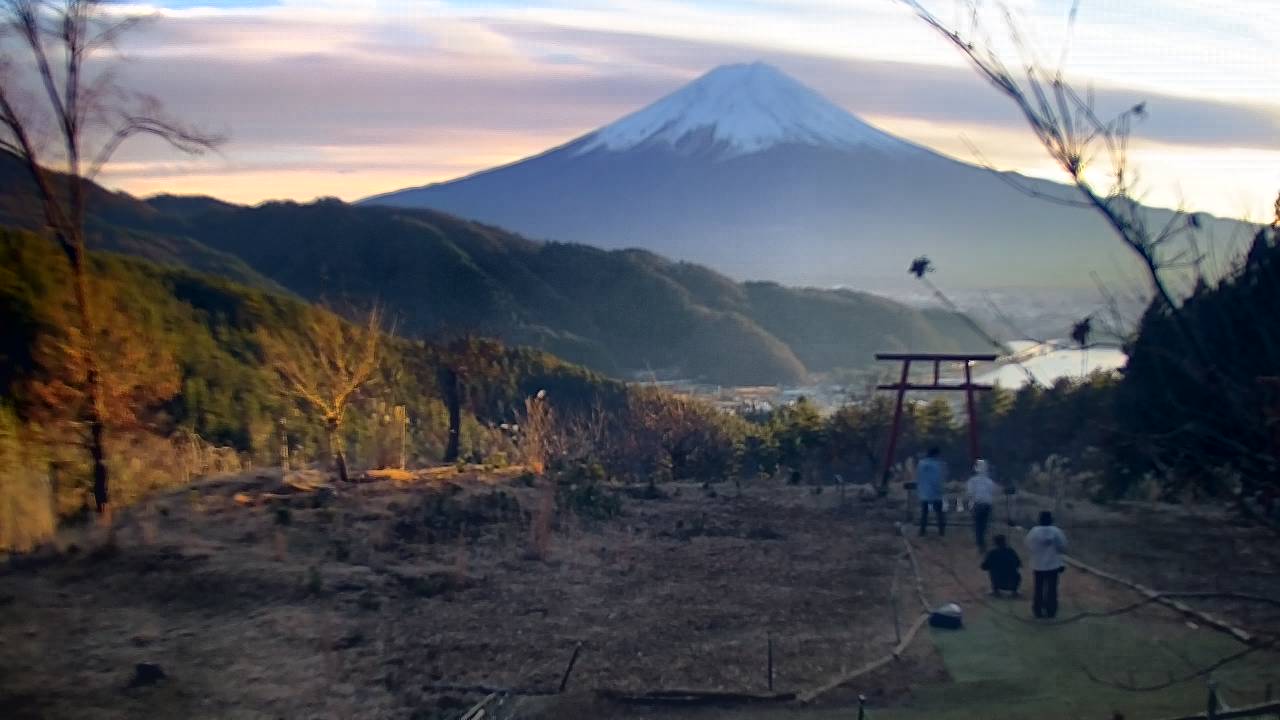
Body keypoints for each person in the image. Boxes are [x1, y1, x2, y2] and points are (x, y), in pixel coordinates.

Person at [1025, 510, 1068, 618]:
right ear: (1051, 520)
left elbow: (1028, 545)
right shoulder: (1056, 531)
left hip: (1038, 565)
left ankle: (1037, 610)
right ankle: (1051, 611)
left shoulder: (1034, 531)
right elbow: (1063, 546)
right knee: (1052, 589)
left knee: (1038, 588)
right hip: (1053, 565)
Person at [966, 459, 998, 551]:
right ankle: (983, 542)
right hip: (987, 504)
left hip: (978, 504)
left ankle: (980, 544)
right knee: (984, 525)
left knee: (977, 525)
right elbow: (993, 492)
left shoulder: (972, 481)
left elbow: (970, 493)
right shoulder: (989, 481)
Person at [916, 446, 947, 536]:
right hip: (935, 493)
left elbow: (919, 477)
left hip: (924, 493)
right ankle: (941, 532)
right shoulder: (936, 465)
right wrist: (940, 489)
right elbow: (936, 479)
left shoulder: (921, 463)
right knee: (939, 514)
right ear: (936, 454)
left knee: (924, 514)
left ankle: (922, 531)